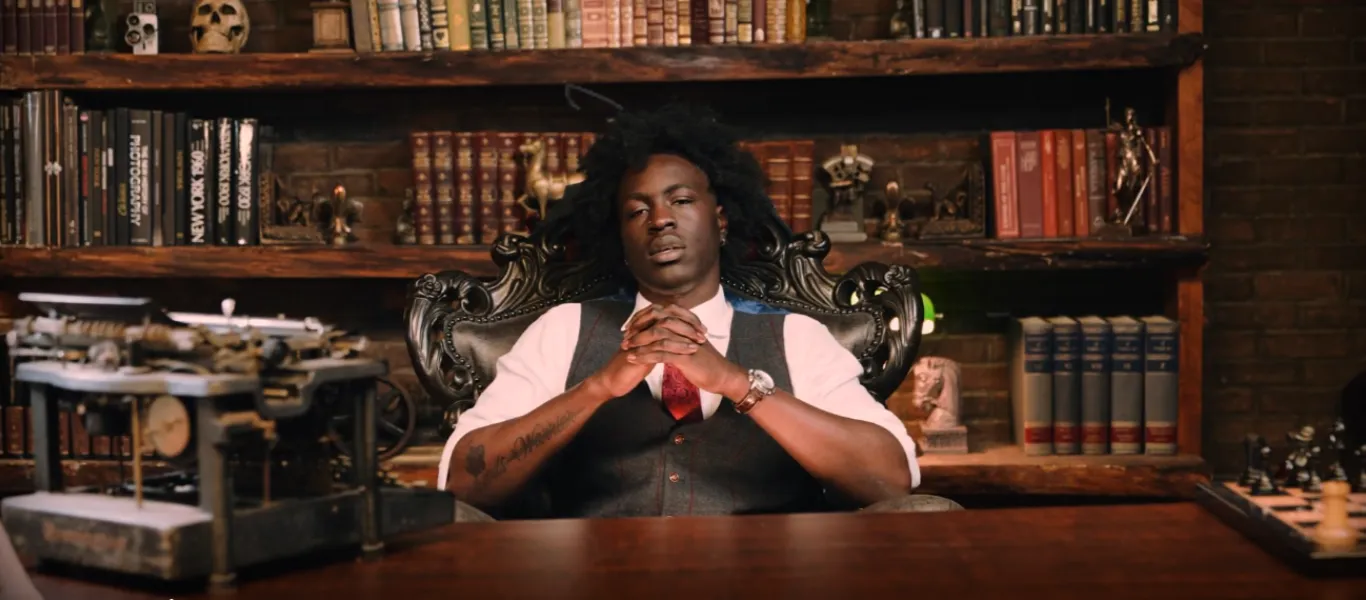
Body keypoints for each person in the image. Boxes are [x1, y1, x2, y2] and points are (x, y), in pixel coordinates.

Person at [436, 103, 947, 519]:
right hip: (595, 577)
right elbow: (465, 484)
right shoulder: (563, 331)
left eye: (680, 201)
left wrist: (735, 382)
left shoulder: (797, 336)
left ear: (720, 220)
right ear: (621, 237)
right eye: (637, 210)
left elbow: (890, 481)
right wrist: (598, 387)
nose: (659, 219)